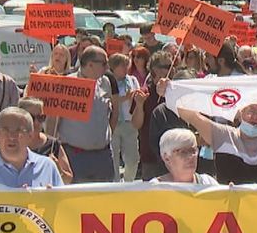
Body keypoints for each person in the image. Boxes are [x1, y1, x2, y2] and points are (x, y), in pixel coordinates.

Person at [176, 75, 257, 185]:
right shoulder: (224, 135)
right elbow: (193, 117)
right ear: (241, 113)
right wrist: (170, 93)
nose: (255, 116)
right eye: (251, 111)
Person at [56, 46, 117, 183]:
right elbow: (54, 121)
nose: (107, 67)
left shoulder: (105, 82)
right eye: (103, 63)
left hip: (103, 155)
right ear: (90, 64)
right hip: (76, 156)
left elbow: (111, 113)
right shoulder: (67, 83)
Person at [136, 51, 175, 179]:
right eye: (167, 67)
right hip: (151, 157)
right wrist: (140, 105)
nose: (172, 69)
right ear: (155, 70)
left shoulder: (176, 90)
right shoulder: (144, 93)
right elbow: (136, 124)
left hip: (176, 156)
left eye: (172, 65)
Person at [19, 97, 74, 184]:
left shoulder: (53, 145)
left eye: (41, 118)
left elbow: (68, 180)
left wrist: (58, 169)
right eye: (31, 118)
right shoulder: (10, 142)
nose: (36, 123)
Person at [105, 53, 142, 182]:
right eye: (122, 65)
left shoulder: (132, 80)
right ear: (114, 67)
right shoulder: (107, 81)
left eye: (127, 64)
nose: (126, 68)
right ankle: (115, 184)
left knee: (133, 159)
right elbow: (108, 100)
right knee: (113, 158)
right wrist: (124, 98)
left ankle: (128, 182)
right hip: (112, 123)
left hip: (129, 122)